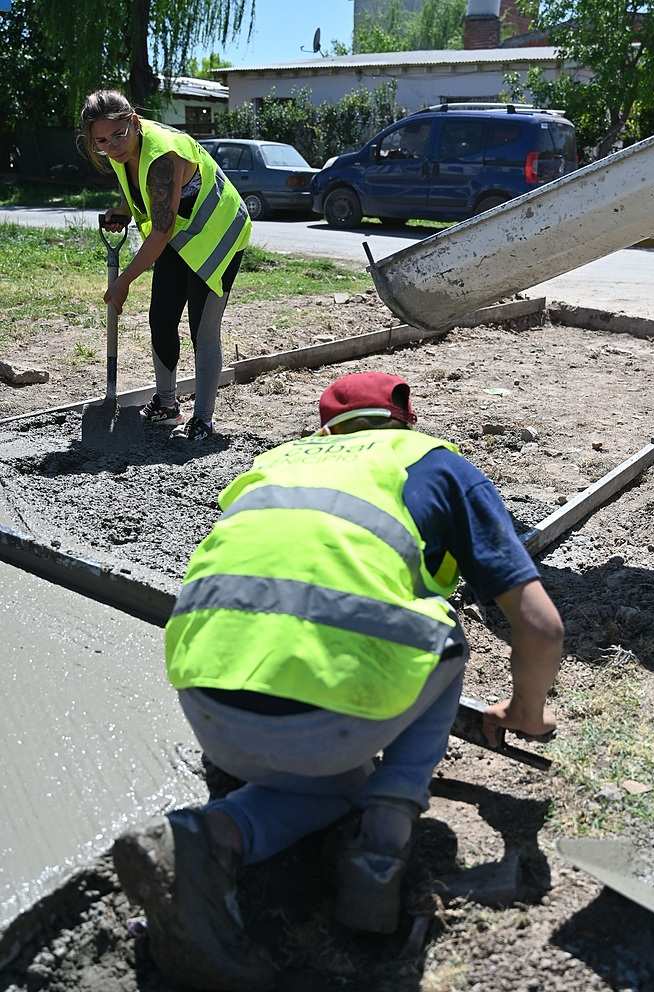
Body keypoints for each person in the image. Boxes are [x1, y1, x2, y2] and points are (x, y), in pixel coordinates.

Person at [113, 371, 563, 990]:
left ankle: (205, 836)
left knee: (338, 784)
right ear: (406, 422)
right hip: (325, 723)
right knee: (445, 637)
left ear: (324, 429)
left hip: (207, 701)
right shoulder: (433, 462)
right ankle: (383, 845)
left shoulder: (275, 464)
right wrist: (528, 713)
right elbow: (541, 628)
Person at [79, 90, 250, 443]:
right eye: (101, 141)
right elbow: (140, 192)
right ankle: (168, 405)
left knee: (202, 329)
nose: (112, 145)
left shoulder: (162, 156)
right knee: (161, 317)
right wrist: (124, 211)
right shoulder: (119, 150)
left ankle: (203, 419)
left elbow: (159, 231)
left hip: (217, 234)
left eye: (118, 135)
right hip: (180, 234)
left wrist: (124, 280)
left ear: (135, 122)